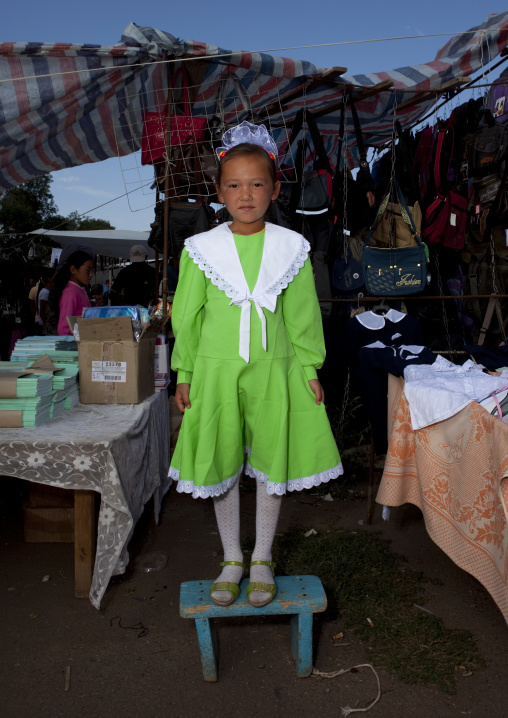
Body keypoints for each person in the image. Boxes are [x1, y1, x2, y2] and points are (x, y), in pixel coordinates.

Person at [170, 121, 342, 609]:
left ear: (275, 188)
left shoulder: (292, 248)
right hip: (216, 372)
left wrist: (309, 370)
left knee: (272, 461)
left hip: (276, 371)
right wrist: (185, 374)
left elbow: (304, 317)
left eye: (257, 183)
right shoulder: (202, 250)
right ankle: (231, 557)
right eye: (234, 185)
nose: (246, 195)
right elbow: (188, 317)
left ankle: (262, 557)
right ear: (219, 190)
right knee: (222, 461)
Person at [46, 243, 95, 335]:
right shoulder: (70, 293)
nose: (91, 274)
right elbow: (63, 329)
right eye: (88, 270)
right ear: (73, 270)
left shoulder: (79, 291)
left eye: (92, 270)